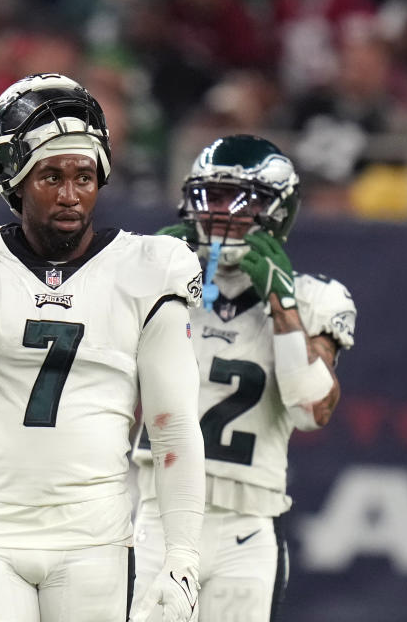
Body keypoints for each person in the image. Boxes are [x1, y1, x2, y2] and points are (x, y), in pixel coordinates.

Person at [0, 73, 207, 622]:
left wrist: (183, 555)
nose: (71, 194)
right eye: (51, 176)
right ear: (13, 179)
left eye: (84, 175)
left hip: (93, 538)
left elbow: (173, 425)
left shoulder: (150, 266)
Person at [131, 135, 357, 621]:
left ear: (277, 211)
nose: (219, 213)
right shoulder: (154, 277)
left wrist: (284, 308)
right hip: (156, 513)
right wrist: (145, 287)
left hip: (246, 529)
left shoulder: (316, 298)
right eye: (209, 197)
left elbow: (311, 409)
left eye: (240, 201)